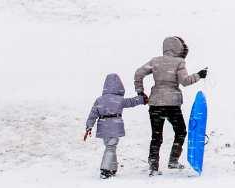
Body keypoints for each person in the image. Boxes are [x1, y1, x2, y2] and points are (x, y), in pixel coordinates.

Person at [134, 36, 207, 175]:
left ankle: (153, 166)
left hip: (155, 104)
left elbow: (139, 73)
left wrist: (140, 92)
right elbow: (185, 81)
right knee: (181, 131)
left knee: (156, 136)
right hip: (172, 104)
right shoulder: (179, 62)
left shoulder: (155, 61)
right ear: (178, 48)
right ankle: (173, 160)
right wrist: (199, 75)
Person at [84, 73, 147, 179]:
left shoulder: (99, 100)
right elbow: (131, 102)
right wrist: (142, 99)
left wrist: (89, 127)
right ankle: (105, 170)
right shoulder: (119, 99)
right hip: (115, 125)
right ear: (119, 86)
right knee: (111, 147)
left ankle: (112, 168)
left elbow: (93, 114)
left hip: (103, 125)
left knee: (110, 147)